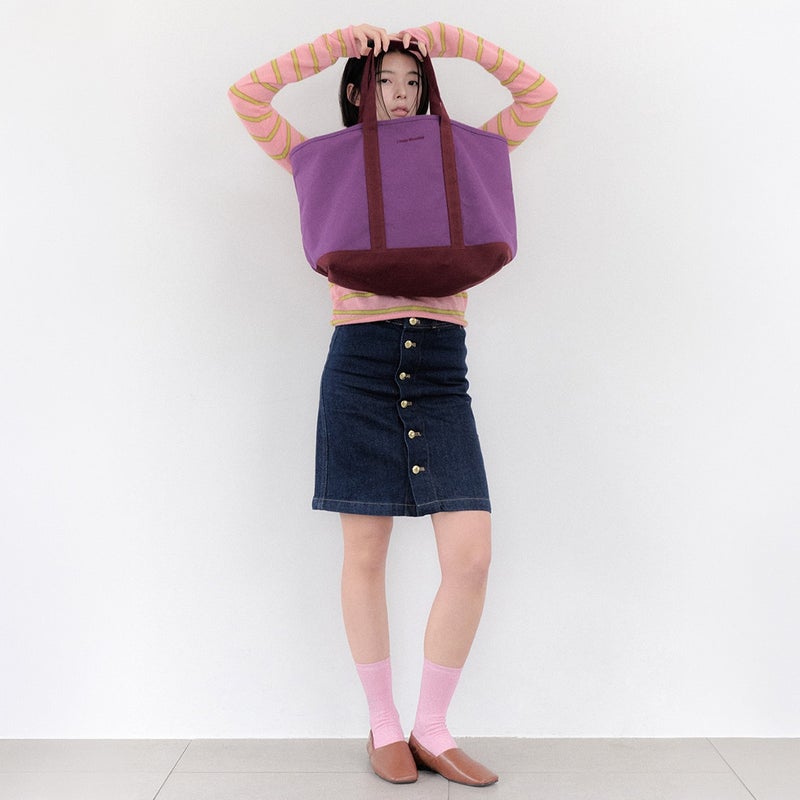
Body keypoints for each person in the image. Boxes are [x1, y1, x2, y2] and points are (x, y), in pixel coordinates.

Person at [229, 22, 557, 787]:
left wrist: (453, 42)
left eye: (413, 81)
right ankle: (383, 726)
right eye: (385, 81)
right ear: (357, 89)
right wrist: (339, 44)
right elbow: (247, 97)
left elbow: (538, 95)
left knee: (470, 556)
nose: (402, 95)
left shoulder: (461, 154)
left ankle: (432, 729)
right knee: (365, 555)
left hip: (441, 372)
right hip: (360, 366)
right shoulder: (325, 160)